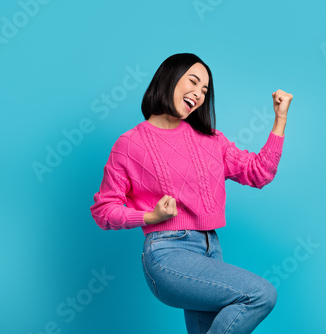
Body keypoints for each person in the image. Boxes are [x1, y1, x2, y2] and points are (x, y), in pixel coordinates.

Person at [90, 53, 293, 333]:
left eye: (204, 90)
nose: (198, 94)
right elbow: (103, 210)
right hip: (167, 253)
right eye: (193, 82)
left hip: (212, 250)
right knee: (259, 294)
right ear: (169, 79)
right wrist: (150, 216)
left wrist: (279, 120)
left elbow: (259, 173)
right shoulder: (130, 144)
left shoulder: (211, 139)